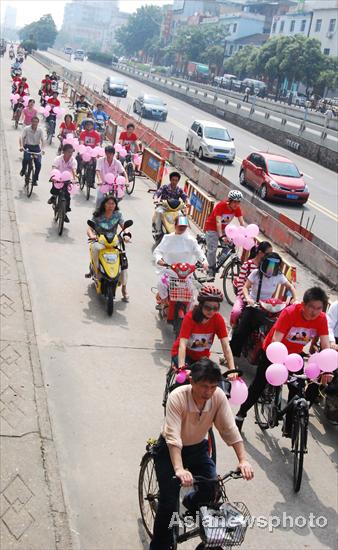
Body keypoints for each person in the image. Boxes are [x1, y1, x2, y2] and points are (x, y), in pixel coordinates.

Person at [150, 358, 254, 550]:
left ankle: (190, 502)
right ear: (192, 382)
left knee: (212, 488)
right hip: (169, 451)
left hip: (197, 447)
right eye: (204, 386)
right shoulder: (178, 397)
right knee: (167, 505)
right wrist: (179, 469)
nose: (209, 392)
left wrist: (243, 460)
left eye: (213, 386)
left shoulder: (217, 397)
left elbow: (229, 429)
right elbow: (173, 437)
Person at [235, 287, 332, 435]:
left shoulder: (322, 318)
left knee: (297, 391)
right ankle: (241, 414)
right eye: (311, 307)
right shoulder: (290, 312)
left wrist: (327, 369)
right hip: (274, 351)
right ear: (304, 304)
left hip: (295, 356)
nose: (314, 312)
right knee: (259, 386)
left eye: (319, 308)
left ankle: (289, 424)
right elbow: (276, 340)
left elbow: (325, 344)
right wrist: (278, 363)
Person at [230, 252, 297, 358]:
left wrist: (294, 298)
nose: (271, 269)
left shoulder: (279, 275)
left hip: (269, 307)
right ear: (264, 264)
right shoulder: (256, 273)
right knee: (242, 330)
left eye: (274, 266)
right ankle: (232, 354)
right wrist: (248, 299)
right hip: (254, 305)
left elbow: (291, 287)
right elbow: (245, 287)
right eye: (270, 265)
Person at [172, 285, 236, 374]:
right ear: (201, 305)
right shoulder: (190, 317)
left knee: (212, 381)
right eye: (208, 308)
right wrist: (182, 368)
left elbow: (226, 346)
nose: (212, 311)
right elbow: (182, 344)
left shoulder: (218, 319)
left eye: (215, 308)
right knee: (184, 380)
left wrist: (232, 369)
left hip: (201, 358)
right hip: (183, 354)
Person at [153, 216, 208, 306]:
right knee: (161, 285)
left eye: (184, 226)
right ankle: (164, 302)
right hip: (170, 273)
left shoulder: (191, 240)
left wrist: (204, 261)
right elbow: (158, 251)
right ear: (175, 225)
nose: (182, 228)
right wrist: (159, 259)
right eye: (180, 226)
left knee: (191, 298)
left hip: (185, 275)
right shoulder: (168, 238)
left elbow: (199, 252)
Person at [86, 196, 129, 301]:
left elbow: (124, 227)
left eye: (113, 204)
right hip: (100, 242)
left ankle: (124, 288)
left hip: (113, 242)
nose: (111, 206)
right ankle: (96, 271)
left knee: (123, 262)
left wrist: (126, 235)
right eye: (109, 203)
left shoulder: (117, 215)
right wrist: (92, 235)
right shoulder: (98, 215)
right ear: (104, 204)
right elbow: (89, 229)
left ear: (115, 205)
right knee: (96, 248)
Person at [230, 241, 273, 327]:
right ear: (260, 253)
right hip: (245, 297)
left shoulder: (269, 268)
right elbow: (240, 284)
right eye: (268, 254)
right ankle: (233, 329)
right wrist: (246, 299)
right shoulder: (247, 265)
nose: (270, 257)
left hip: (261, 300)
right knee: (236, 312)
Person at [204, 190, 245, 275]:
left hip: (224, 229)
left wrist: (245, 233)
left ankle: (219, 259)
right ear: (229, 201)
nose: (236, 204)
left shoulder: (237, 208)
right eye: (234, 202)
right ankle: (211, 270)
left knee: (229, 246)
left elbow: (242, 222)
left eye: (238, 202)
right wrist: (221, 236)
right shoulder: (221, 205)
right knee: (212, 250)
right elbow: (218, 222)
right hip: (212, 228)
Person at [48, 143, 77, 223]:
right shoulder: (58, 159)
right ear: (63, 152)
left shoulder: (73, 160)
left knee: (67, 197)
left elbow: (74, 170)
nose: (70, 154)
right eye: (68, 152)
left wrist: (76, 179)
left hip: (68, 179)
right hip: (58, 178)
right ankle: (53, 197)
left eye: (71, 152)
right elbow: (54, 167)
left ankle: (65, 213)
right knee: (55, 189)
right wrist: (53, 177)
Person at [19, 116, 44, 185]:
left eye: (36, 122)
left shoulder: (40, 130)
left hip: (36, 148)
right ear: (31, 122)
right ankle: (23, 170)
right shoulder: (26, 129)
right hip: (28, 147)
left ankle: (35, 179)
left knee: (38, 164)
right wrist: (21, 146)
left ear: (38, 123)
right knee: (26, 159)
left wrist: (42, 149)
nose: (35, 123)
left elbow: (43, 140)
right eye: (33, 122)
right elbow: (21, 137)